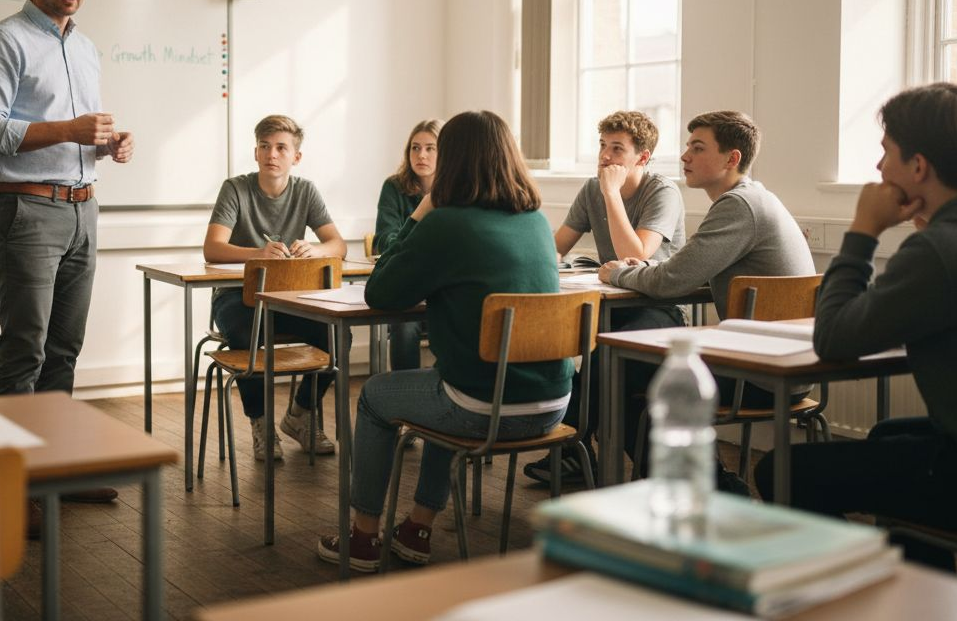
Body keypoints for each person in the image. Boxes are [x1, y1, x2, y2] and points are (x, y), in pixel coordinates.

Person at [754, 83, 957, 571]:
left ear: (919, 168)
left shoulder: (945, 250)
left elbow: (833, 337)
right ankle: (922, 599)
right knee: (887, 437)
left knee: (783, 471)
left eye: (885, 153)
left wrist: (862, 232)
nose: (878, 169)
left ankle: (859, 591)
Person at [317, 110, 567, 572]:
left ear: (451, 160)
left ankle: (364, 537)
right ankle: (417, 528)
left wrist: (418, 213)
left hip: (481, 408)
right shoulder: (534, 220)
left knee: (375, 397)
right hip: (552, 406)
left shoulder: (446, 222)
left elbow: (381, 290)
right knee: (446, 382)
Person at [0, 0, 134, 509]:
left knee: (64, 349)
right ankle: (10, 495)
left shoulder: (85, 47)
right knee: (24, 352)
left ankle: (54, 474)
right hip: (27, 209)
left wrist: (108, 145)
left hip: (84, 207)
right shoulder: (4, 41)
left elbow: (80, 132)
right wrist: (69, 130)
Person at [602, 110, 813, 484]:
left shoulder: (739, 206)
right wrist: (644, 270)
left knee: (624, 372)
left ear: (732, 159)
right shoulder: (753, 199)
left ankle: (703, 488)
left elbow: (673, 281)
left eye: (697, 148)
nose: (685, 156)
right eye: (687, 147)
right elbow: (681, 270)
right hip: (788, 367)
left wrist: (618, 272)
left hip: (764, 374)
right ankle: (703, 484)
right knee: (631, 372)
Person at [524, 110, 687, 486]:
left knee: (605, 362)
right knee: (560, 349)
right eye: (602, 146)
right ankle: (572, 450)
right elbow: (557, 248)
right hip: (611, 308)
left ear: (641, 158)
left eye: (617, 149)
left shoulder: (662, 191)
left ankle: (571, 449)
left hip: (659, 310)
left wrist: (612, 193)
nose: (605, 157)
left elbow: (640, 255)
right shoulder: (589, 190)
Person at [204, 114, 349, 462]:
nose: (272, 154)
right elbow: (212, 248)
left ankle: (299, 415)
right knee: (245, 332)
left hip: (288, 300)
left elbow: (338, 245)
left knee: (339, 335)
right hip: (238, 298)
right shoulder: (235, 188)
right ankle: (262, 423)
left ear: (295, 157)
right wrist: (258, 253)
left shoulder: (306, 190)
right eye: (264, 147)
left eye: (281, 147)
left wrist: (315, 249)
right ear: (255, 153)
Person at [373, 119, 442, 372]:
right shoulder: (394, 186)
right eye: (415, 147)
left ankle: (445, 390)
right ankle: (405, 391)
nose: (421, 155)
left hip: (442, 288)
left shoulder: (457, 189)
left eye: (430, 148)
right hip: (408, 285)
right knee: (404, 324)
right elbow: (384, 240)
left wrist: (411, 246)